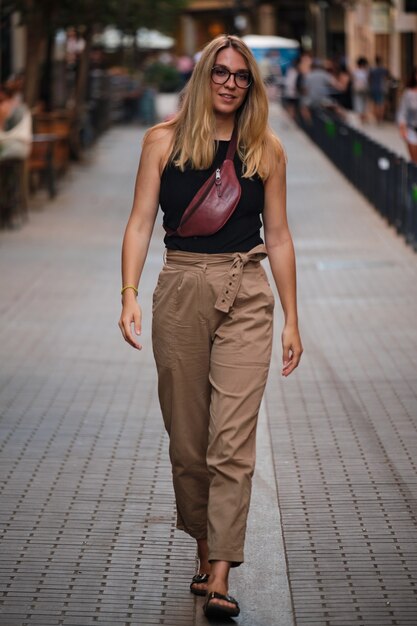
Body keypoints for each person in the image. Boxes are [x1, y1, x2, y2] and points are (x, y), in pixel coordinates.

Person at [118, 34, 302, 620]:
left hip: (246, 289)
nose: (229, 83)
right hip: (180, 287)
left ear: (251, 86)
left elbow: (278, 237)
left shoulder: (265, 149)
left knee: (232, 442)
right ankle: (203, 549)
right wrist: (128, 295)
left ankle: (220, 571)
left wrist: (293, 318)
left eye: (241, 76)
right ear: (203, 76)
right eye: (220, 72)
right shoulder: (162, 142)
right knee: (189, 440)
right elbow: (141, 221)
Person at [397, 66, 417, 163]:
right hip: (412, 130)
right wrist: (402, 128)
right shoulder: (408, 94)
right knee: (415, 161)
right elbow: (402, 112)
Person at [369, 56, 389, 123]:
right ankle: (381, 117)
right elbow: (387, 77)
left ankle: (377, 118)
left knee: (376, 103)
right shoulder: (383, 70)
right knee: (381, 103)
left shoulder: (373, 70)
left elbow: (370, 79)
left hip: (374, 88)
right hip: (381, 88)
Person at [352, 56, 370, 123]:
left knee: (358, 101)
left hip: (357, 88)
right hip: (364, 88)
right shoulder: (366, 71)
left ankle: (360, 116)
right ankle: (364, 116)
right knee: (364, 102)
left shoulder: (355, 71)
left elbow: (353, 80)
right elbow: (368, 80)